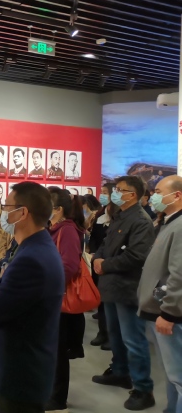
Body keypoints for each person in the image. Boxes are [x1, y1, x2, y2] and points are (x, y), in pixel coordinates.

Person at [0, 182, 65, 413]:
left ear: (22, 212)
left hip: (19, 372)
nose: (4, 212)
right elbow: (4, 283)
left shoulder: (31, 259)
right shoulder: (32, 247)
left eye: (7, 206)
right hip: (23, 366)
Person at [91, 176, 156, 411]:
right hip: (111, 286)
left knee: (133, 340)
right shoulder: (120, 215)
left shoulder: (141, 221)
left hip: (127, 287)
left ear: (133, 195)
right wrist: (97, 259)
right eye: (115, 189)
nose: (115, 193)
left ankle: (143, 389)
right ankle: (120, 372)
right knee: (116, 335)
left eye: (120, 190)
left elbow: (136, 256)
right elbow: (105, 244)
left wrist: (105, 265)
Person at [137, 176, 182, 413]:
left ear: (177, 195)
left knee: (179, 376)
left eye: (158, 191)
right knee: (172, 375)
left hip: (170, 315)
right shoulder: (169, 222)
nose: (154, 196)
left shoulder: (180, 226)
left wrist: (169, 312)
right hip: (160, 310)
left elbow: (179, 274)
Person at [45, 187, 86, 412]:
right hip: (51, 296)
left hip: (58, 297)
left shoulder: (67, 231)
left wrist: (47, 284)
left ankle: (58, 397)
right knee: (52, 348)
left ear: (58, 209)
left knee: (58, 350)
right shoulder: (53, 228)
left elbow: (68, 266)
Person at [89, 183, 117, 350]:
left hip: (110, 263)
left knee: (110, 302)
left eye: (106, 192)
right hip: (97, 259)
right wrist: (94, 253)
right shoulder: (100, 213)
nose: (103, 195)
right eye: (103, 192)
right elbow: (94, 237)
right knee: (100, 299)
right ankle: (102, 332)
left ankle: (111, 336)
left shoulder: (118, 215)